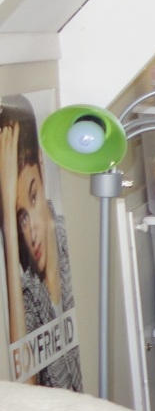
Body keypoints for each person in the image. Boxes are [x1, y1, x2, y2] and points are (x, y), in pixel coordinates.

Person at [0, 100, 84, 391]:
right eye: (19, 217)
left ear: (42, 167)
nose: (31, 230)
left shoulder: (64, 237)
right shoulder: (27, 293)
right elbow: (26, 385)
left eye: (33, 196)